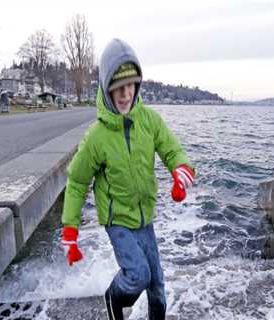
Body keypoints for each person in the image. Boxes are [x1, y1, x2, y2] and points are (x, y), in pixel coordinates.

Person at [60, 38, 196, 320]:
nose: (125, 94)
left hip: (144, 217)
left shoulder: (150, 121)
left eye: (131, 85)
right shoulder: (96, 137)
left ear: (138, 85)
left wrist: (181, 169)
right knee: (138, 275)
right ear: (106, 87)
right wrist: (70, 231)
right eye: (118, 87)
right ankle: (113, 298)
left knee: (157, 283)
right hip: (117, 219)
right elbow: (76, 183)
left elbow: (172, 149)